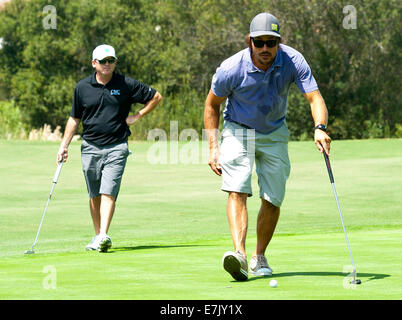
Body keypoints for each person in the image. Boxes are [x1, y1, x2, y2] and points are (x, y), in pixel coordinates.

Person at [204, 13, 331, 281]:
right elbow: (211, 104)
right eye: (259, 42)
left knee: (273, 198)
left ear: (278, 43)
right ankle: (238, 254)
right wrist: (214, 147)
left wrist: (320, 127)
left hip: (274, 132)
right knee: (237, 189)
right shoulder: (232, 68)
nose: (265, 48)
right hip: (238, 130)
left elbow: (313, 97)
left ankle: (259, 256)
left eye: (270, 43)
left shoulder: (293, 60)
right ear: (249, 41)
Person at [57, 44, 162, 252]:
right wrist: (64, 145)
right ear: (94, 63)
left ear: (115, 62)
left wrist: (137, 116)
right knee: (94, 193)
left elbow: (156, 96)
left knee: (108, 191)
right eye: (103, 61)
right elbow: (74, 118)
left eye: (111, 60)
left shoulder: (125, 84)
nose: (107, 64)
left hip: (117, 146)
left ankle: (104, 234)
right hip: (90, 146)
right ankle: (98, 236)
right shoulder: (82, 87)